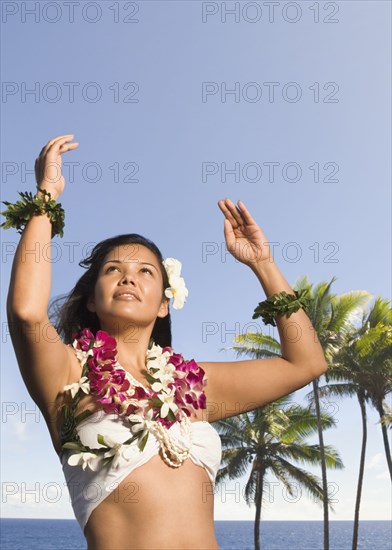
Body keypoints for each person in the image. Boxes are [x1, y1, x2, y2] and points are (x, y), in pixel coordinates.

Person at [4, 134, 328, 550]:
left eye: (146, 272)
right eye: (114, 269)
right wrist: (47, 195)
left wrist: (263, 264)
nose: (129, 277)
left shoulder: (194, 388)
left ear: (163, 305)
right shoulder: (66, 375)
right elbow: (27, 313)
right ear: (90, 299)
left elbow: (306, 362)